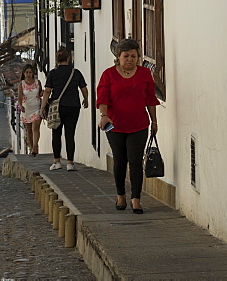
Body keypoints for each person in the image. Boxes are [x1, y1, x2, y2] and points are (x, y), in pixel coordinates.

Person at [97, 37, 160, 214]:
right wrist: (103, 116)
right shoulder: (108, 74)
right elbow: (103, 98)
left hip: (139, 124)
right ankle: (120, 195)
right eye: (126, 56)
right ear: (118, 56)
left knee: (135, 162)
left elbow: (150, 99)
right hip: (114, 125)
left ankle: (136, 198)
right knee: (120, 160)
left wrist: (154, 121)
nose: (130, 60)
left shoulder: (144, 74)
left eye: (133, 56)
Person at [41, 47, 89, 171]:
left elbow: (47, 91)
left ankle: (57, 162)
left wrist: (42, 107)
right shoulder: (76, 72)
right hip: (73, 106)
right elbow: (84, 88)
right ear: (69, 58)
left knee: (56, 134)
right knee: (70, 134)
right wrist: (86, 99)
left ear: (57, 59)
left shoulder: (53, 73)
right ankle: (70, 163)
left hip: (57, 107)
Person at [16, 64, 42, 156]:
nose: (28, 74)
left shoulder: (37, 82)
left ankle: (35, 146)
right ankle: (31, 148)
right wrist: (20, 105)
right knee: (29, 129)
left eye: (30, 72)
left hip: (37, 108)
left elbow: (40, 92)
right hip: (26, 109)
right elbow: (19, 96)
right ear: (24, 73)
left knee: (35, 127)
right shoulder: (21, 84)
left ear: (33, 73)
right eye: (27, 72)